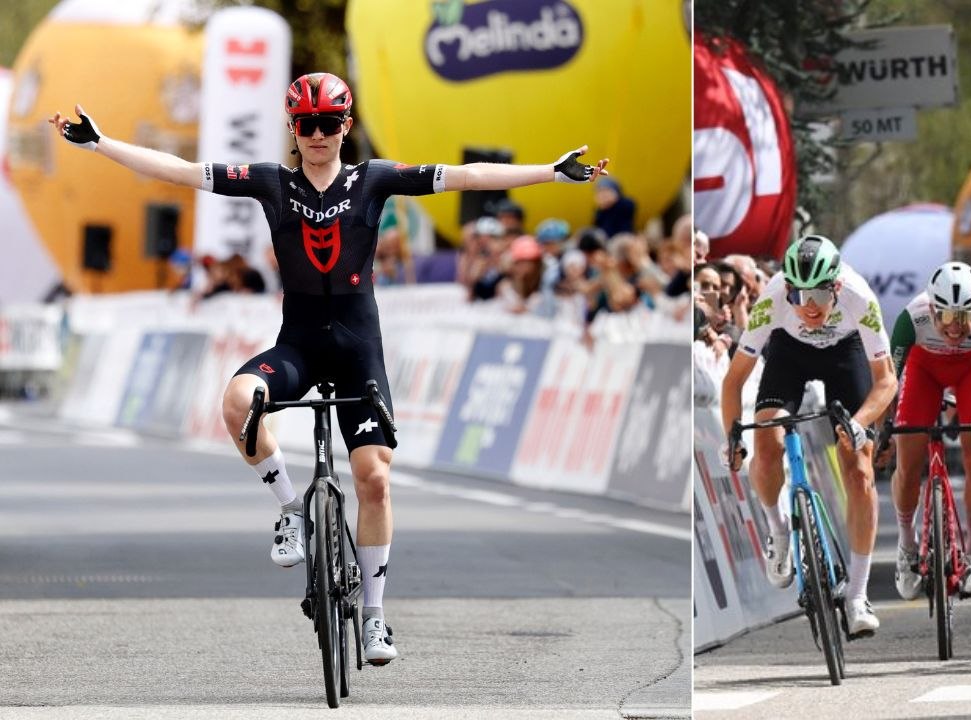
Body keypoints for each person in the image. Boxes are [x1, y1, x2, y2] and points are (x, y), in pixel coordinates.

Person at [50, 71, 607, 665]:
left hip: (357, 347)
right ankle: (290, 508)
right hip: (298, 344)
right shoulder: (271, 182)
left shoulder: (376, 179)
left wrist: (551, 171)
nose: (317, 135)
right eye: (306, 124)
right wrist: (100, 142)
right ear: (293, 129)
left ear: (346, 126)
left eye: (329, 123)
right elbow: (180, 171)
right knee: (238, 400)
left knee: (374, 478)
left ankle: (374, 616)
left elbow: (465, 177)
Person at [720, 235, 897, 637]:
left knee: (859, 470)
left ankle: (856, 595)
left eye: (819, 292)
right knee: (766, 443)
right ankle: (778, 530)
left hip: (845, 352)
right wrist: (732, 436)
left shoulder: (858, 297)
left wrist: (860, 422)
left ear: (835, 285)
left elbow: (886, 380)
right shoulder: (772, 300)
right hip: (790, 354)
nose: (810, 305)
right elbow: (734, 382)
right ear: (787, 288)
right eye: (800, 294)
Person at [884, 262, 971, 598]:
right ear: (931, 309)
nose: (954, 328)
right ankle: (907, 547)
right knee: (908, 460)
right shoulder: (910, 320)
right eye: (945, 317)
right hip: (923, 368)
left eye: (964, 317)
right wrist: (884, 428)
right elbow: (888, 383)